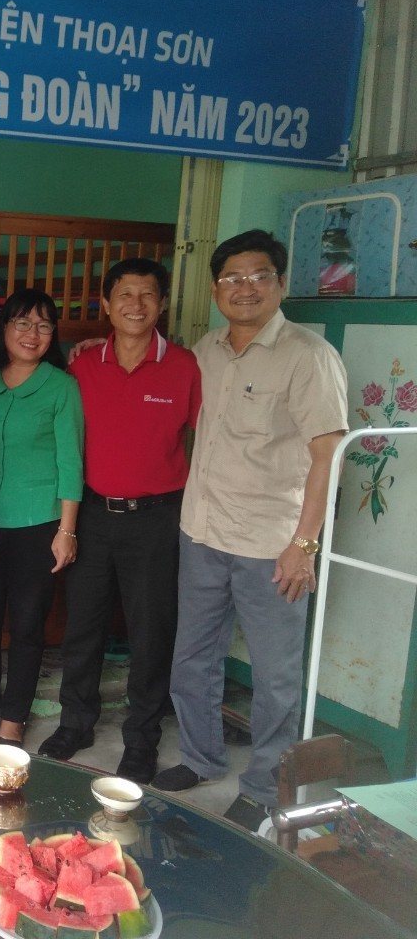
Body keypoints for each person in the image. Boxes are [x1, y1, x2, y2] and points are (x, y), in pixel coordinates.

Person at [151, 230, 347, 831]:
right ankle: (200, 758)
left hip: (271, 544)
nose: (245, 288)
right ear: (215, 289)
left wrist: (304, 544)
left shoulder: (308, 356)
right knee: (192, 658)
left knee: (275, 676)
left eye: (259, 276)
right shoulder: (204, 352)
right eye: (232, 278)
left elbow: (328, 455)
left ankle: (266, 787)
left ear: (280, 284)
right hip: (202, 532)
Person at [37, 258, 201, 783]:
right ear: (106, 304)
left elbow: (207, 439)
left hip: (157, 519)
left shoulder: (185, 367)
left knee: (151, 632)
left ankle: (142, 739)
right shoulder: (83, 366)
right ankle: (76, 723)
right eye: (125, 294)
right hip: (92, 514)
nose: (136, 304)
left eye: (147, 294)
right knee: (83, 626)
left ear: (162, 304)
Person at [0, 289, 83, 748]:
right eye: (22, 323)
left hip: (38, 523)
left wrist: (67, 530)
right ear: (4, 327)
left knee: (28, 625)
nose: (32, 333)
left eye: (43, 325)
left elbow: (71, 462)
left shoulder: (61, 386)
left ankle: (13, 717)